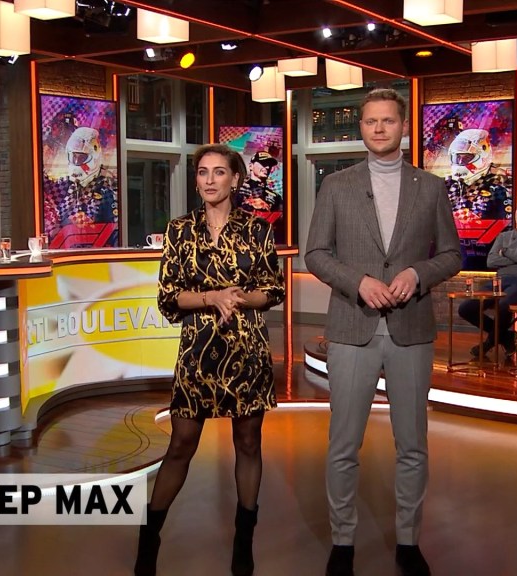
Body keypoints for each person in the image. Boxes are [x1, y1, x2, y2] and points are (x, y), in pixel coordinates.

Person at [305, 88, 462, 576]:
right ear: (361, 127)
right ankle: (343, 541)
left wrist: (418, 273)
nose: (378, 128)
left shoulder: (430, 188)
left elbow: (451, 255)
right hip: (352, 328)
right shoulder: (337, 185)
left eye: (387, 121)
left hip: (410, 330)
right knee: (343, 444)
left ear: (404, 127)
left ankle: (408, 541)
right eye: (370, 121)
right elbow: (316, 254)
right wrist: (358, 282)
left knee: (412, 445)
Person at [135, 143, 284, 576]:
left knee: (248, 443)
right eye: (203, 172)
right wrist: (212, 297)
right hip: (198, 349)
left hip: (246, 348)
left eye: (219, 172)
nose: (210, 180)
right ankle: (149, 538)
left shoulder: (257, 230)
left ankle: (243, 539)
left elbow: (272, 289)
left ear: (235, 180)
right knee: (181, 443)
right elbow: (169, 296)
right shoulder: (179, 230)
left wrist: (238, 298)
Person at [458, 196, 517, 358]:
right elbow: (491, 261)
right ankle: (506, 337)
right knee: (466, 308)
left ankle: (488, 343)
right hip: (498, 281)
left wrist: (505, 252)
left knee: (504, 304)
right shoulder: (503, 236)